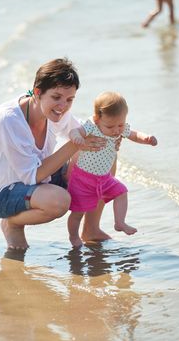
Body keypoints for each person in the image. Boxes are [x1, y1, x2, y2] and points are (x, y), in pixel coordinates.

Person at [0, 58, 107, 250]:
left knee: (102, 158)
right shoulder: (9, 120)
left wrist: (109, 133)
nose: (63, 106)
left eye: (69, 99)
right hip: (1, 193)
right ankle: (12, 223)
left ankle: (91, 229)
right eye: (56, 97)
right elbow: (32, 176)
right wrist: (76, 146)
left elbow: (83, 131)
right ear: (37, 92)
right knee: (59, 201)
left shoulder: (57, 112)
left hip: (37, 178)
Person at [67, 91, 158, 247]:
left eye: (120, 125)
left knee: (121, 191)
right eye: (110, 126)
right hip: (83, 179)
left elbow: (134, 135)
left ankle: (120, 222)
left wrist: (147, 138)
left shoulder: (120, 128)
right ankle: (73, 236)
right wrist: (76, 137)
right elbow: (75, 131)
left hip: (104, 178)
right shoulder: (91, 125)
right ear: (97, 119)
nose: (116, 130)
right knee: (77, 212)